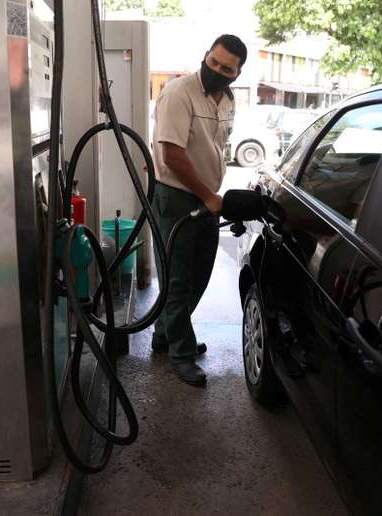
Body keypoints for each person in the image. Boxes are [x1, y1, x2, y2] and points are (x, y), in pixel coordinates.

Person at [150, 34, 247, 385]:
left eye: (226, 68)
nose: (217, 71)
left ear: (236, 74)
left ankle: (165, 334)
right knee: (177, 279)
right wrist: (208, 196)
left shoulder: (228, 100)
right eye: (214, 62)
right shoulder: (179, 92)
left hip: (207, 197)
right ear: (205, 56)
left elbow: (215, 148)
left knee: (200, 273)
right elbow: (172, 155)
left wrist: (211, 196)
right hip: (177, 197)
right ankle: (181, 352)